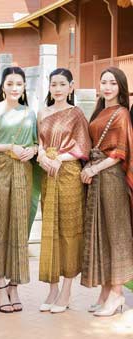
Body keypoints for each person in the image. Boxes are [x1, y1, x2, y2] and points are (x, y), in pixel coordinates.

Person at [0, 67, 39, 313]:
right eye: (10, 83)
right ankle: (0, 284)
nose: (15, 88)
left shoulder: (30, 113)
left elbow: (37, 141)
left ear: (24, 87)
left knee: (20, 225)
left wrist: (33, 150)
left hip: (24, 173)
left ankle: (14, 285)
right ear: (2, 86)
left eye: (19, 84)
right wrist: (11, 147)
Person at [80, 67, 133, 316]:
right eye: (104, 82)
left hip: (111, 179)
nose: (108, 87)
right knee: (100, 233)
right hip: (97, 178)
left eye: (113, 82)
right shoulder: (100, 111)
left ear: (121, 87)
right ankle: (105, 292)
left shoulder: (121, 114)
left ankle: (117, 294)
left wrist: (94, 169)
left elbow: (120, 152)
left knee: (115, 235)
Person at [36, 68, 89, 314]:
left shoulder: (76, 114)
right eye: (53, 84)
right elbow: (40, 143)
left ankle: (67, 289)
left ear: (71, 87)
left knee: (68, 231)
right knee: (50, 230)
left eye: (62, 84)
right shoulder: (43, 113)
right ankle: (52, 288)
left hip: (68, 176)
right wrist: (41, 157)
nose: (57, 88)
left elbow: (83, 146)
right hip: (48, 174)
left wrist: (60, 159)